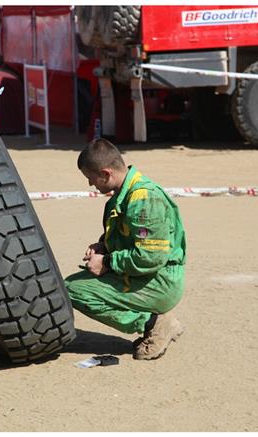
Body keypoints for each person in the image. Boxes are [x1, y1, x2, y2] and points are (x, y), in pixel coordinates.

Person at [64, 138, 187, 360]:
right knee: (73, 285)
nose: (91, 184)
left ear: (105, 173)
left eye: (90, 178)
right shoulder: (125, 193)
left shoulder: (144, 199)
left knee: (74, 290)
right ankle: (152, 321)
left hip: (157, 281)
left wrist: (108, 262)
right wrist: (103, 246)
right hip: (143, 275)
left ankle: (155, 324)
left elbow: (150, 257)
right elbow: (128, 235)